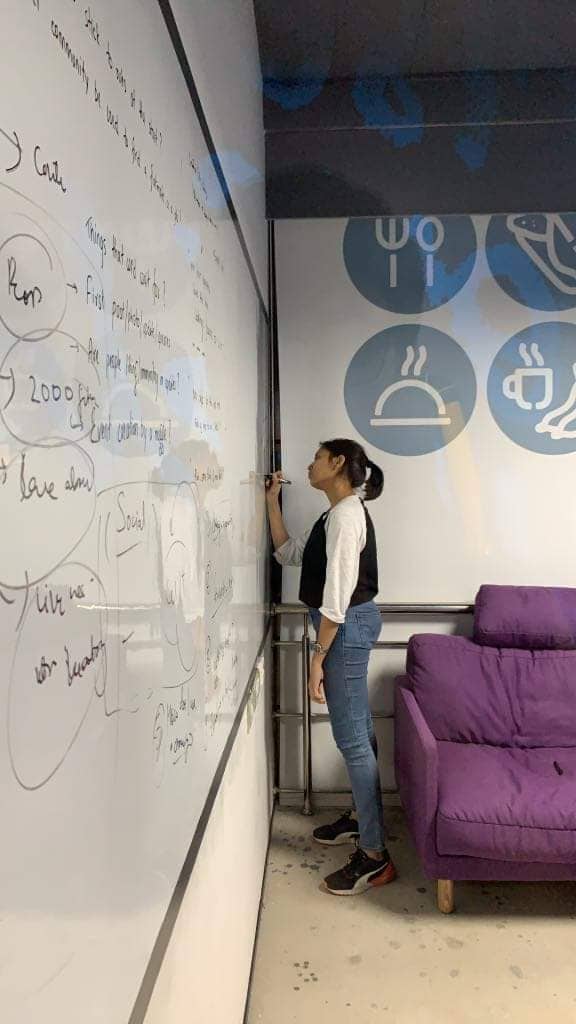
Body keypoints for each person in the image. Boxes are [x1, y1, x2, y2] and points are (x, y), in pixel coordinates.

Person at [266, 438, 396, 896]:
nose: (310, 465)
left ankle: (375, 858)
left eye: (317, 458)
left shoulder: (346, 516)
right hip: (347, 626)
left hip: (344, 627)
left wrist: (317, 659)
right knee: (360, 734)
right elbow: (288, 554)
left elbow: (337, 598)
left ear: (338, 463)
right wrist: (271, 502)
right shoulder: (334, 514)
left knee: (352, 740)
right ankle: (362, 820)